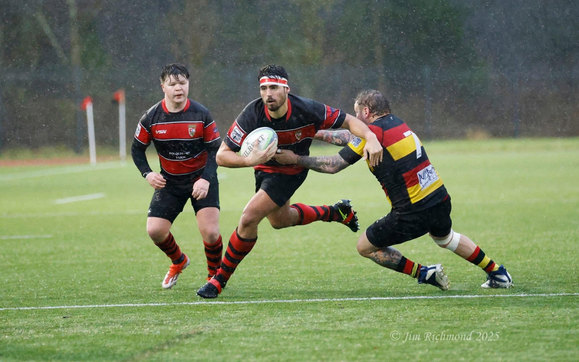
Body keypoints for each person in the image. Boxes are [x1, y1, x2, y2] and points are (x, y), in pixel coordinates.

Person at [275, 89, 513, 290]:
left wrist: (295, 159)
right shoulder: (396, 123)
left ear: (366, 113)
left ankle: (424, 273)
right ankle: (497, 273)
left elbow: (333, 165)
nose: (354, 119)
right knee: (446, 238)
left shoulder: (373, 134)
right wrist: (311, 132)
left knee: (365, 247)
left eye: (356, 114)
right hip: (439, 199)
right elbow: (349, 136)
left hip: (413, 212)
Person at [196, 65, 384, 298]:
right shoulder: (252, 113)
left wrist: (371, 136)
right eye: (263, 88)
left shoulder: (307, 109)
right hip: (264, 170)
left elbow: (349, 122)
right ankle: (335, 212)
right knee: (280, 220)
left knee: (248, 218)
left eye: (274, 87)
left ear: (286, 89)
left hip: (291, 171)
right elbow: (221, 155)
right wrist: (249, 160)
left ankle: (219, 280)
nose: (268, 94)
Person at [132, 63, 223, 290]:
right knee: (155, 230)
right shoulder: (151, 117)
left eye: (182, 83)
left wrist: (206, 178)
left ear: (188, 84)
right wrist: (148, 173)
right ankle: (179, 261)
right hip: (170, 182)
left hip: (201, 179)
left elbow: (216, 150)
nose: (178, 88)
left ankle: (214, 276)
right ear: (163, 87)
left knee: (211, 233)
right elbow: (136, 149)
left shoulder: (201, 114)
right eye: (172, 84)